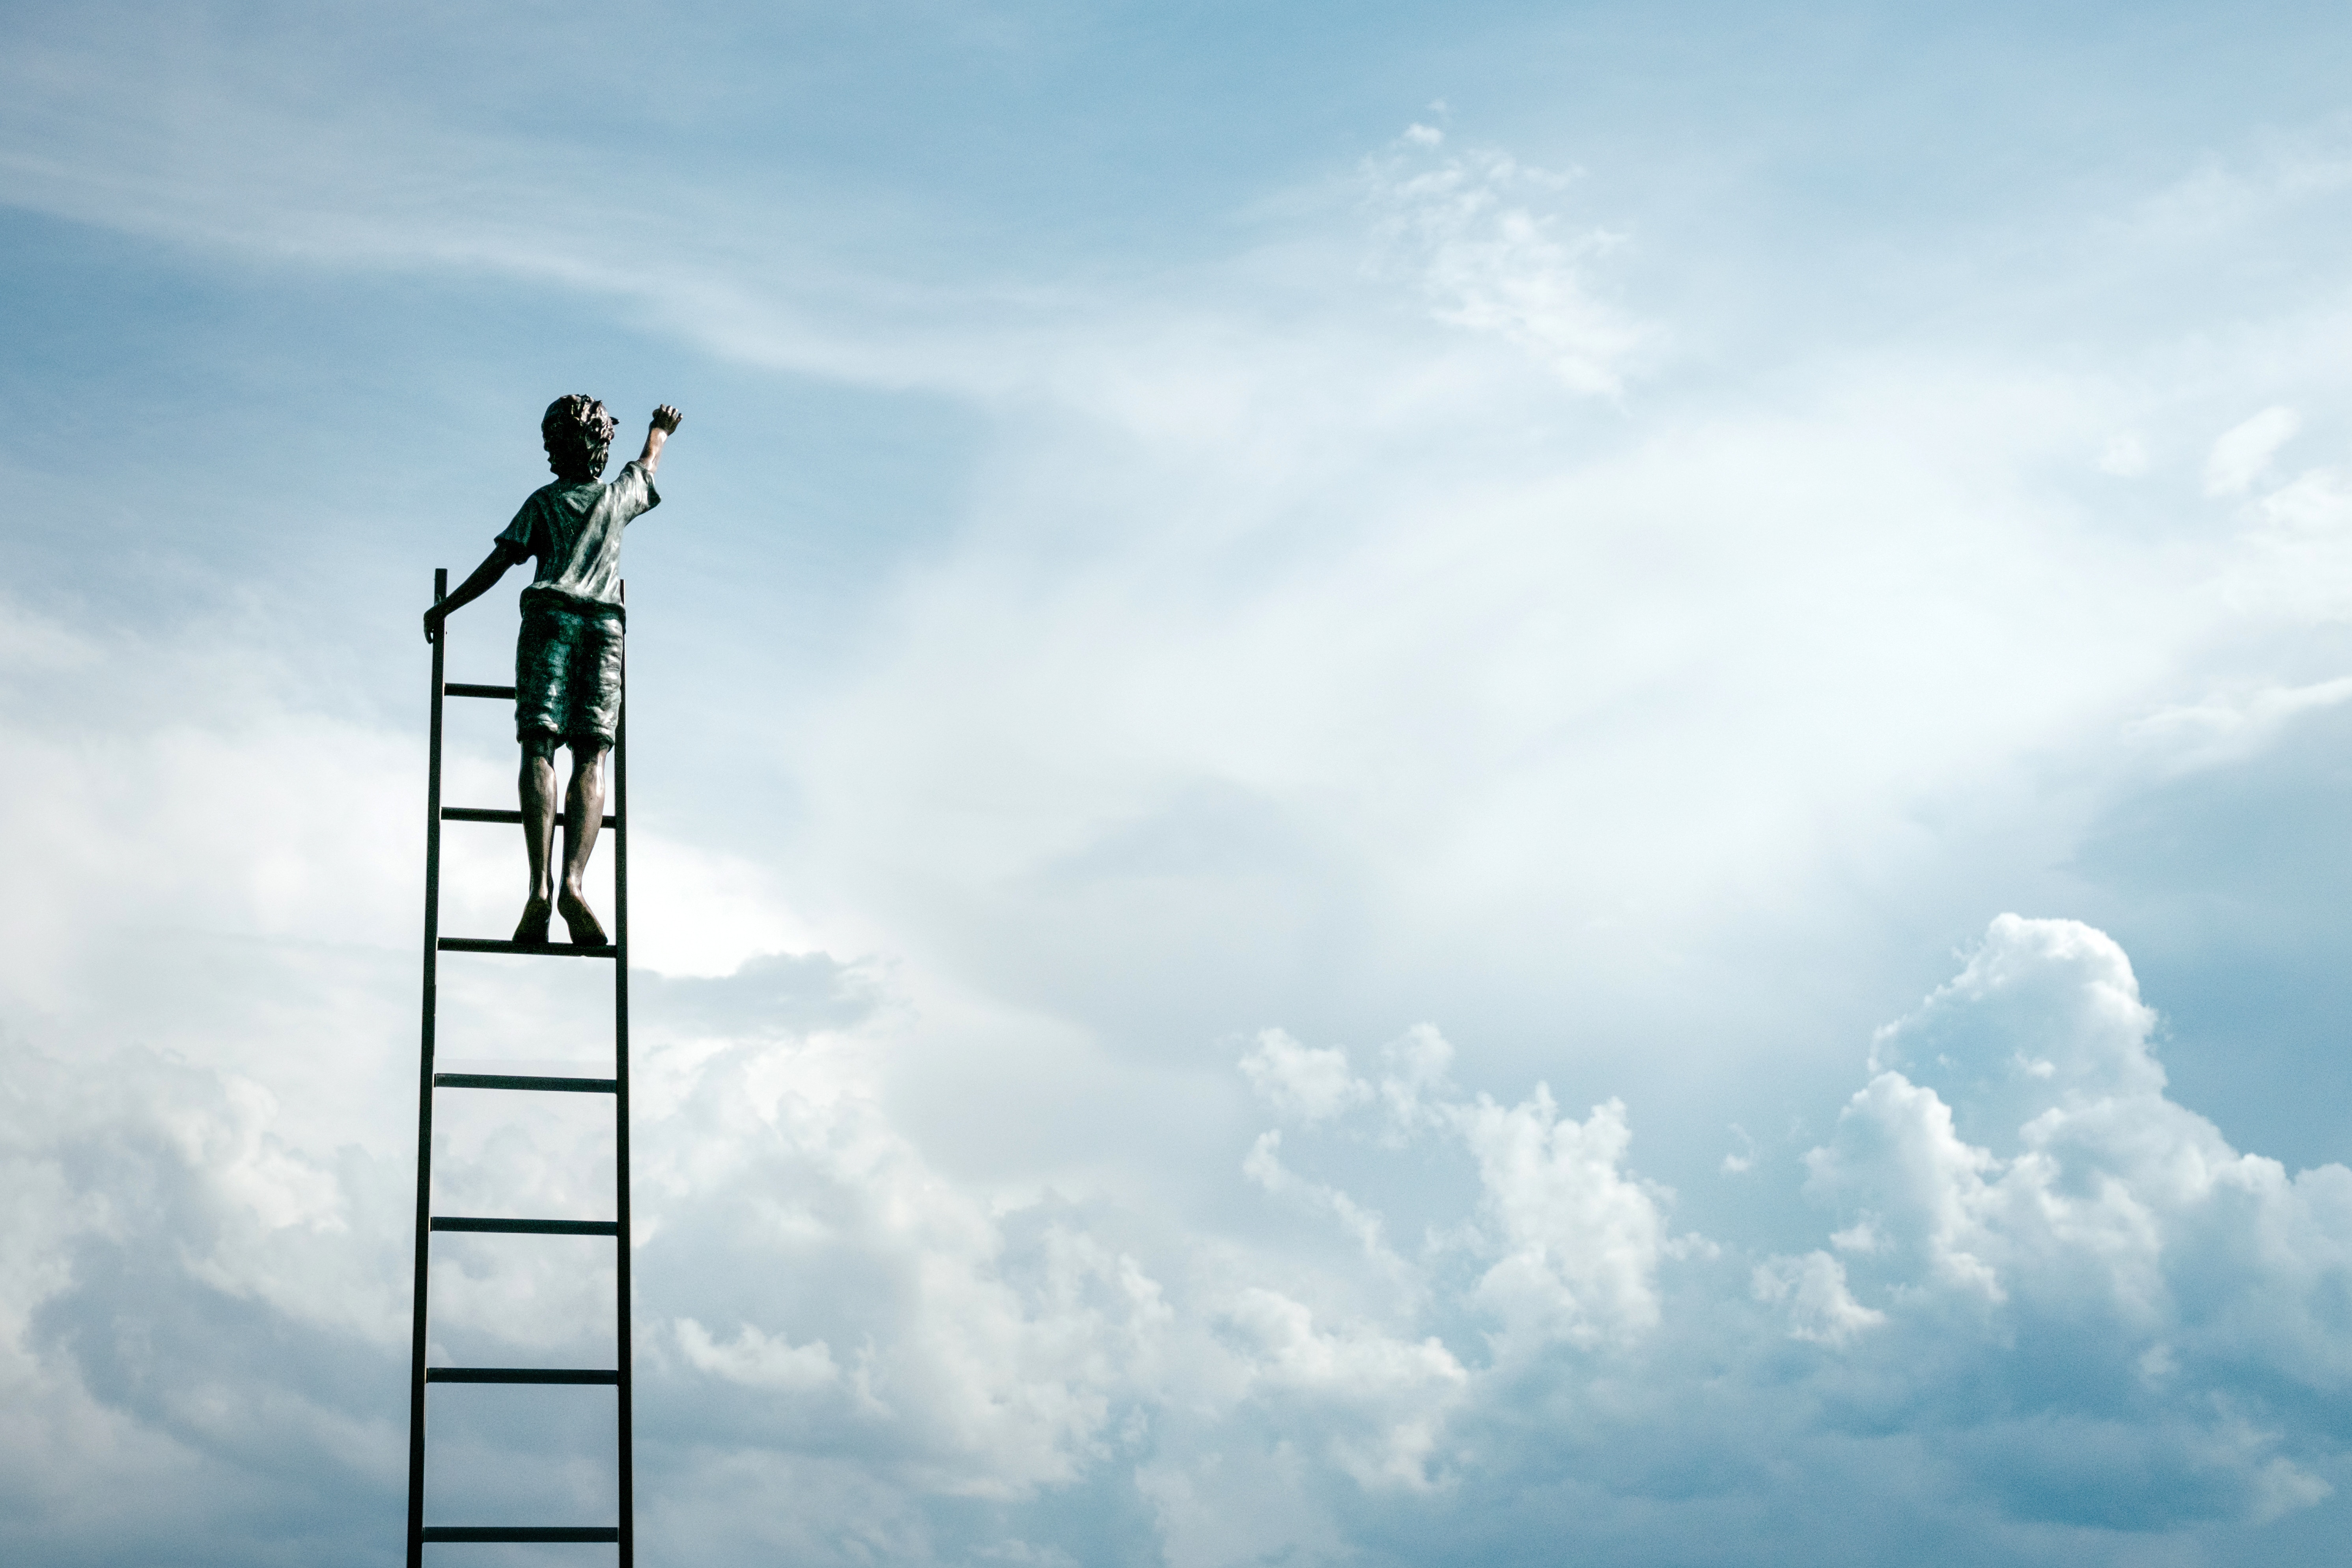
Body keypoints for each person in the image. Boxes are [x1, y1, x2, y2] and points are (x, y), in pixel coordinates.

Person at [423, 396, 682, 945]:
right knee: (592, 754)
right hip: (603, 628)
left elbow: (499, 564)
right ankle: (573, 882)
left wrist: (448, 609)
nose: (545, 451)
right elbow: (648, 465)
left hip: (549, 623)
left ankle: (540, 886)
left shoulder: (543, 503)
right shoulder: (616, 498)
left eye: (550, 440)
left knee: (538, 747)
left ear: (569, 444)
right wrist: (660, 431)